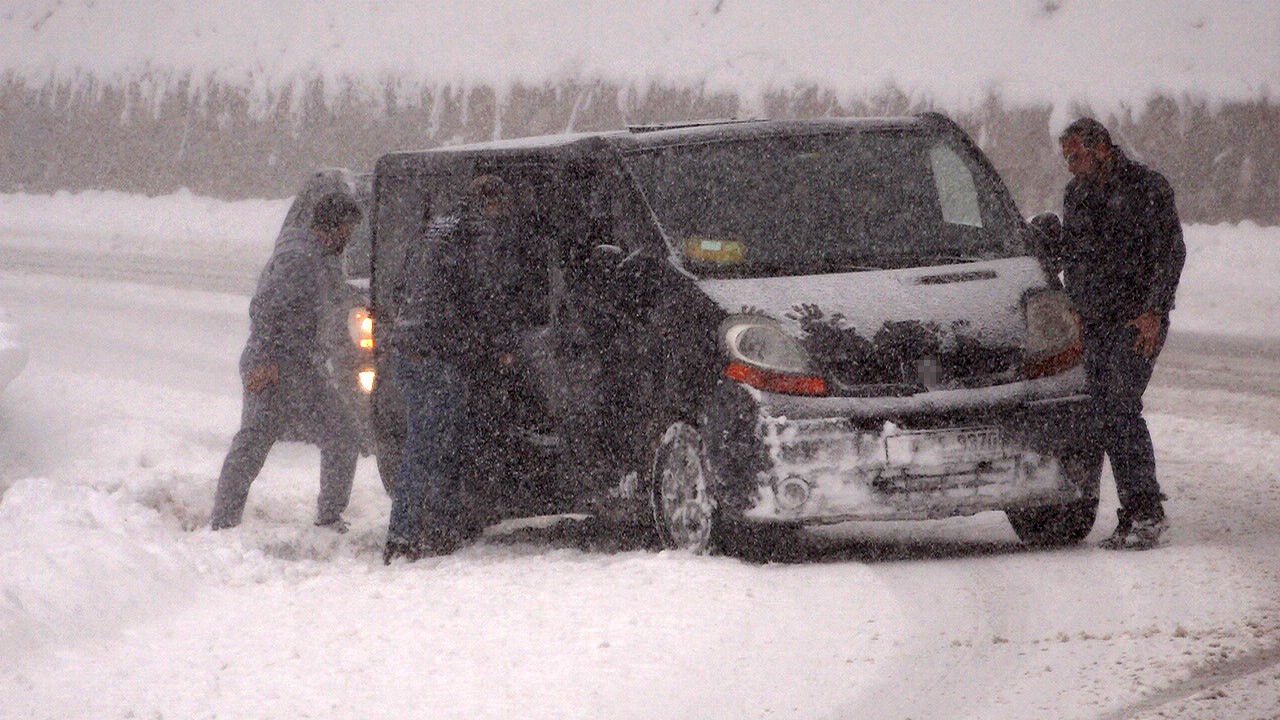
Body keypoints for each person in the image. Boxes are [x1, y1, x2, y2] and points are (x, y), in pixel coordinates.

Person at [384, 174, 540, 563]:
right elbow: (484, 298)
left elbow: (400, 288)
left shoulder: (433, 232)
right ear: (490, 204)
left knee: (426, 443)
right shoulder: (475, 236)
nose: (501, 214)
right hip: (436, 354)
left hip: (407, 350)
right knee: (438, 445)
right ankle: (419, 534)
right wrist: (501, 345)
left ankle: (418, 531)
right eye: (500, 206)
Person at [1049, 117, 1186, 550]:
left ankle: (1145, 512)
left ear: (1102, 148)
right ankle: (1135, 510)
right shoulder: (1077, 195)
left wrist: (1155, 311)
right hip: (1094, 322)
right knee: (1105, 413)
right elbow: (1074, 255)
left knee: (1120, 407)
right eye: (1066, 158)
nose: (1070, 166)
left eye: (1076, 156)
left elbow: (1171, 253)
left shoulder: (1148, 188)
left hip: (1137, 320)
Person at [210, 192, 364, 532]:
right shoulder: (299, 259)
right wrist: (265, 359)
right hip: (276, 366)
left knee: (342, 432)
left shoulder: (322, 258)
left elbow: (328, 306)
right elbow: (266, 308)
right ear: (334, 227)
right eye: (348, 230)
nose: (350, 238)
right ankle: (222, 524)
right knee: (254, 442)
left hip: (301, 367)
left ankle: (329, 516)